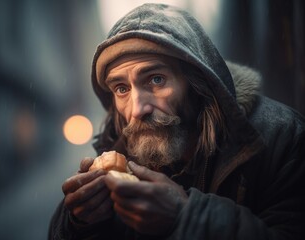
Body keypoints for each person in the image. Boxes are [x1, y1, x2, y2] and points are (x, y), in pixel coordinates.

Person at [49, 3, 305, 240]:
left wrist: (185, 215)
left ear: (198, 83)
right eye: (121, 89)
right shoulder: (118, 150)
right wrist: (79, 222)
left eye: (156, 79)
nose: (138, 109)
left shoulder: (282, 138)